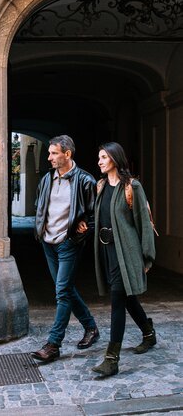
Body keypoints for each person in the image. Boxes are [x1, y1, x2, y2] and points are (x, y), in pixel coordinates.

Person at [31, 135, 99, 363]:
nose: (49, 157)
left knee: (61, 292)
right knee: (66, 289)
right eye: (49, 153)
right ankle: (91, 327)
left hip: (68, 243)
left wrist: (85, 227)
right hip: (48, 243)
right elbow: (39, 206)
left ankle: (53, 344)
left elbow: (97, 213)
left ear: (67, 154)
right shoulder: (47, 180)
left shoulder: (85, 180)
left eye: (53, 153)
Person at [92, 142, 156, 377]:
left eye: (104, 157)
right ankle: (148, 332)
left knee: (117, 300)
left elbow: (143, 223)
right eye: (98, 157)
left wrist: (147, 257)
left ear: (115, 160)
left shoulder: (132, 187)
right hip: (107, 251)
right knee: (127, 297)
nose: (99, 161)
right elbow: (99, 218)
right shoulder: (100, 186)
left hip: (126, 253)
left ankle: (111, 359)